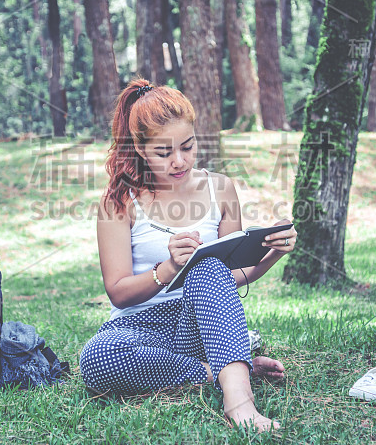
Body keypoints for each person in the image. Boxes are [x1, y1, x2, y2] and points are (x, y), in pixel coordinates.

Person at [79, 79, 297, 432]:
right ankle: (228, 366)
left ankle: (239, 403)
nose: (179, 161)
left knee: (209, 265)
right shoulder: (119, 202)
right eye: (164, 152)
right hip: (138, 328)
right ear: (140, 148)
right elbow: (117, 291)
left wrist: (271, 253)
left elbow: (233, 275)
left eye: (188, 147)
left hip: (198, 320)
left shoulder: (220, 188)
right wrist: (168, 267)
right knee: (97, 358)